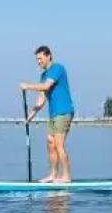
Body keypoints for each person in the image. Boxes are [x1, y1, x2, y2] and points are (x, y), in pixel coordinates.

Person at [20, 45, 75, 183]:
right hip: (53, 113)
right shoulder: (43, 75)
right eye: (37, 60)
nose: (39, 62)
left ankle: (66, 177)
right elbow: (42, 97)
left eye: (40, 58)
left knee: (58, 143)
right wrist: (31, 115)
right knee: (50, 143)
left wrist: (27, 86)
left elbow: (46, 86)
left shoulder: (57, 68)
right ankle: (54, 175)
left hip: (64, 111)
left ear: (48, 56)